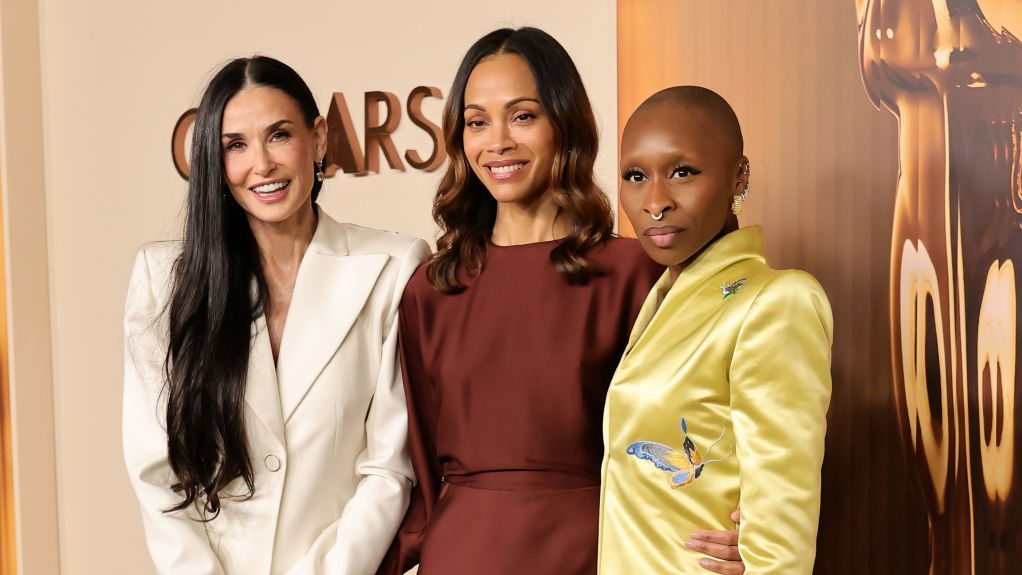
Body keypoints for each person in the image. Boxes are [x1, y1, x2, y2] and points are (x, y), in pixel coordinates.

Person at [377, 29, 742, 575]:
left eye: (522, 116)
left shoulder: (637, 274)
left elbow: (700, 433)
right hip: (460, 554)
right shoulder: (432, 290)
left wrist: (742, 526)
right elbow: (423, 473)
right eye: (477, 122)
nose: (497, 142)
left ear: (564, 125)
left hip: (597, 549)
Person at [122, 56, 429, 575]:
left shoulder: (393, 267)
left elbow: (388, 469)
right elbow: (157, 470)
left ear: (320, 138)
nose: (261, 164)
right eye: (235, 146)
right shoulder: (163, 280)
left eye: (279, 135)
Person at [598, 86, 833, 575]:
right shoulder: (659, 298)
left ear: (738, 175)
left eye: (683, 172)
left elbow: (785, 506)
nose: (656, 201)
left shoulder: (776, 300)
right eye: (635, 176)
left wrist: (770, 556)